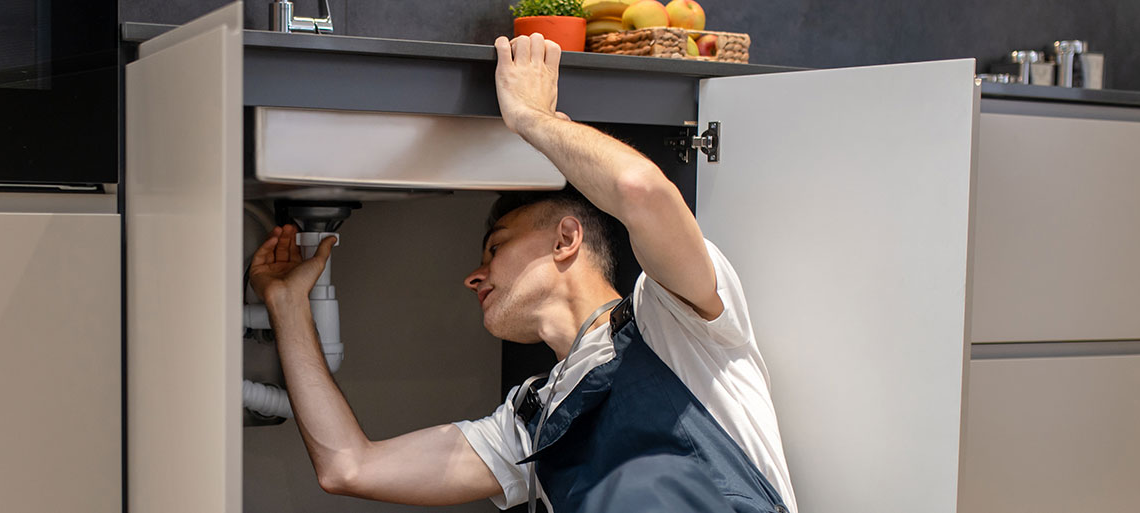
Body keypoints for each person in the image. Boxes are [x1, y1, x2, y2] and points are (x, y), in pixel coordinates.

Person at [246, 33, 796, 513]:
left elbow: (641, 190)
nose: (473, 276)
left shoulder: (674, 319)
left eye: (495, 248)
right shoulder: (529, 423)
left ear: (565, 239)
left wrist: (531, 118)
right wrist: (289, 305)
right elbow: (348, 467)